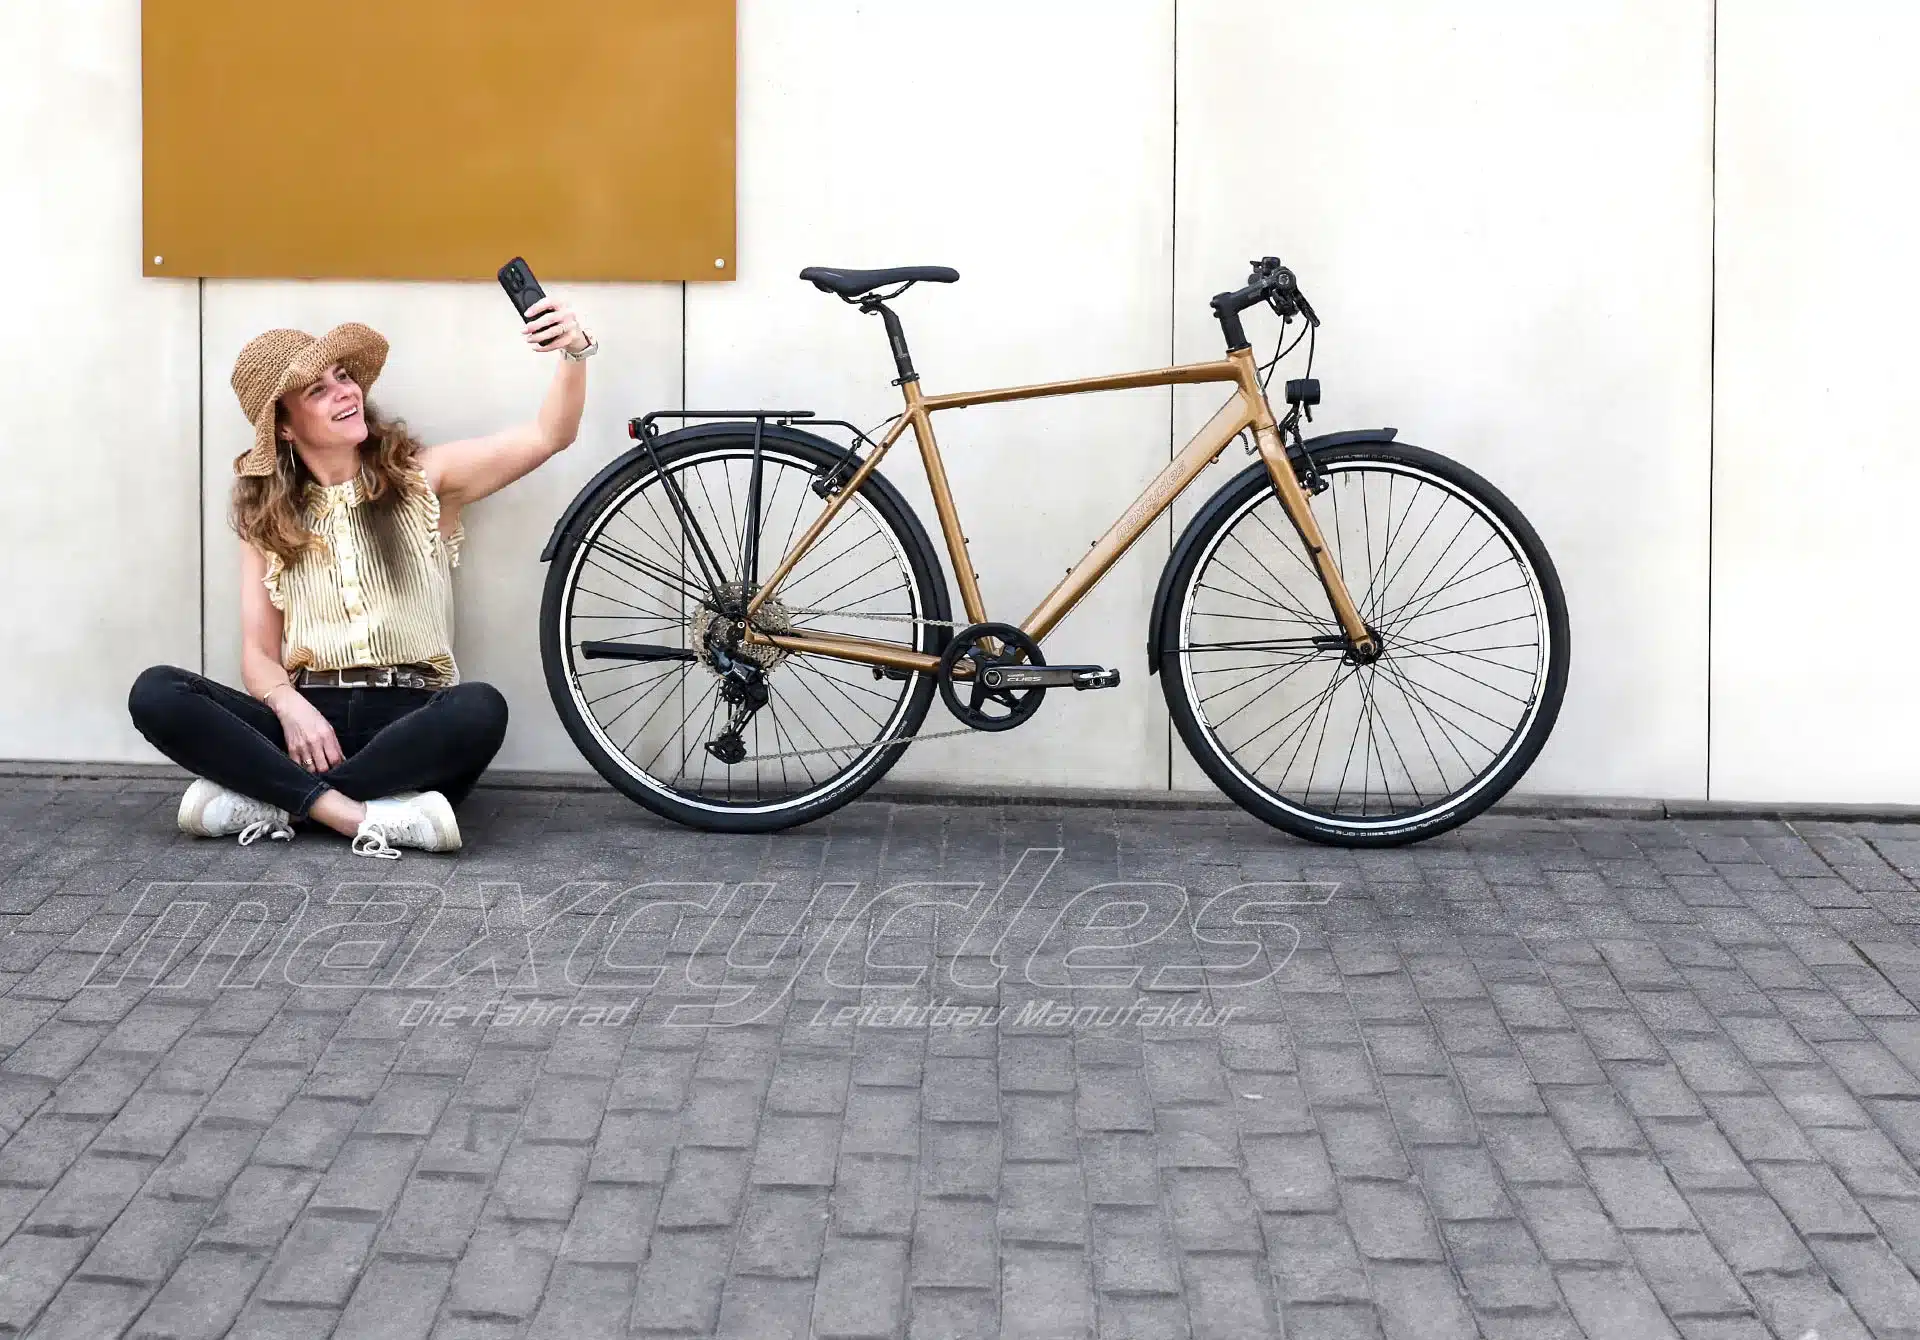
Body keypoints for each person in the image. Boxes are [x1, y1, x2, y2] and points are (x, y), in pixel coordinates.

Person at [127, 295, 596, 858]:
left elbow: (549, 435)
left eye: (343, 377)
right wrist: (289, 707)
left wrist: (573, 353)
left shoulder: (424, 479)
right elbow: (258, 652)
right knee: (157, 692)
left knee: (480, 709)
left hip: (409, 720)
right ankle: (359, 814)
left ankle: (279, 802)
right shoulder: (267, 521)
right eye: (317, 390)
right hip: (305, 727)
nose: (345, 391)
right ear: (283, 426)